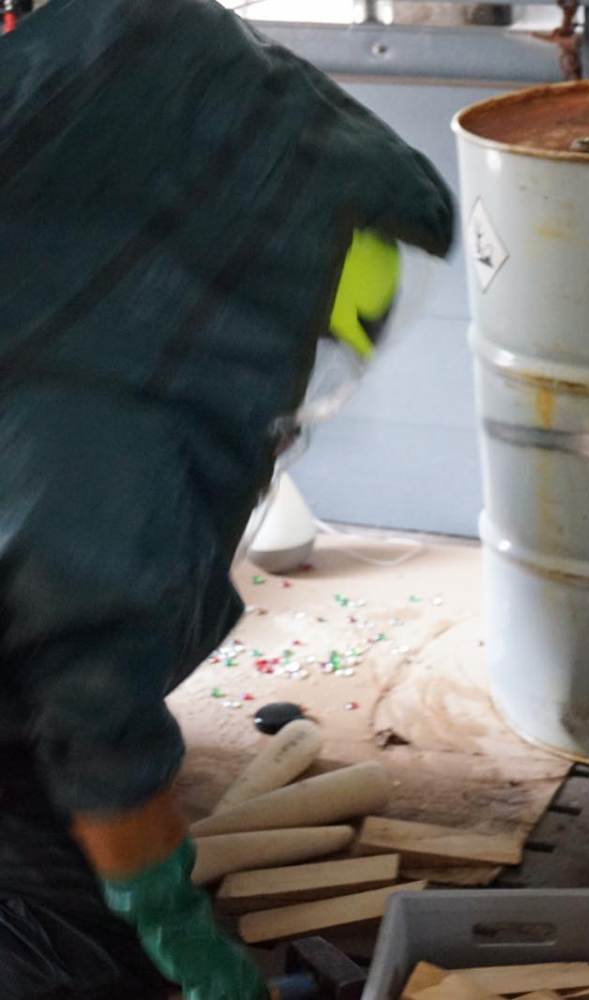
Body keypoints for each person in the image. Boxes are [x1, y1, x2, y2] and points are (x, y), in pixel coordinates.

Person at [0, 1, 453, 996]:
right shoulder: (92, 435)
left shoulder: (55, 205)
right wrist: (180, 936)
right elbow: (93, 707)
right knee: (67, 946)